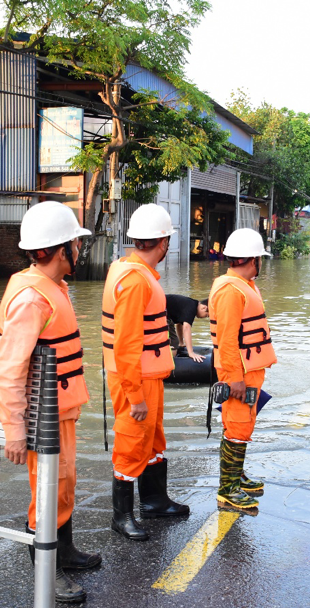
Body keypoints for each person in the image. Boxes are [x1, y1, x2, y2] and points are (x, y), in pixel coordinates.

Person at [0, 201, 100, 604]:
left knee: (65, 483)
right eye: (74, 241)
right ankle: (47, 571)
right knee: (49, 490)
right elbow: (9, 370)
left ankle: (65, 552)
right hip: (42, 417)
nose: (79, 247)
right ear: (61, 250)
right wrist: (15, 431)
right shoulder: (31, 299)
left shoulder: (53, 287)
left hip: (60, 410)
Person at [101, 204, 189, 541]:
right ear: (163, 242)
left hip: (146, 375)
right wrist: (135, 394)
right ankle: (121, 516)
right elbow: (125, 344)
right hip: (134, 378)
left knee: (152, 439)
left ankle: (154, 501)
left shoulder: (128, 269)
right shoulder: (136, 281)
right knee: (131, 440)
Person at [208, 228, 277, 514]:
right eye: (260, 258)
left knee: (243, 424)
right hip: (240, 372)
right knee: (237, 427)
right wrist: (234, 378)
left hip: (250, 369)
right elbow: (226, 340)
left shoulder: (243, 284)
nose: (261, 263)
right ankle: (228, 490)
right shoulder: (230, 290)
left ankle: (236, 477)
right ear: (252, 259)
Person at [165, 294, 209, 362]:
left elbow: (180, 325)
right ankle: (172, 367)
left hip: (162, 312)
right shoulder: (192, 308)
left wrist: (181, 343)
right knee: (173, 342)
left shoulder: (190, 304)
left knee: (174, 341)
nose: (204, 317)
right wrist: (191, 353)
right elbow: (186, 328)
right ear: (204, 308)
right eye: (206, 315)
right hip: (160, 313)